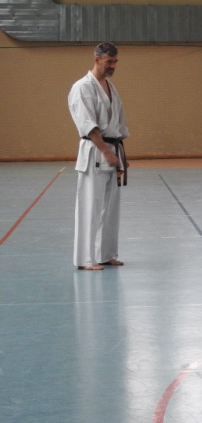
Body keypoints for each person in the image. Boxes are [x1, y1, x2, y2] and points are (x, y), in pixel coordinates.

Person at [67, 42, 130, 270]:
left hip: (112, 150)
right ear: (97, 59)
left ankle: (106, 254)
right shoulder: (82, 87)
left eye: (115, 62)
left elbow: (118, 123)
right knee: (90, 207)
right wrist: (105, 151)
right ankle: (85, 259)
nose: (113, 66)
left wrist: (120, 155)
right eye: (109, 61)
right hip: (95, 151)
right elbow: (88, 124)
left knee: (111, 208)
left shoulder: (111, 88)